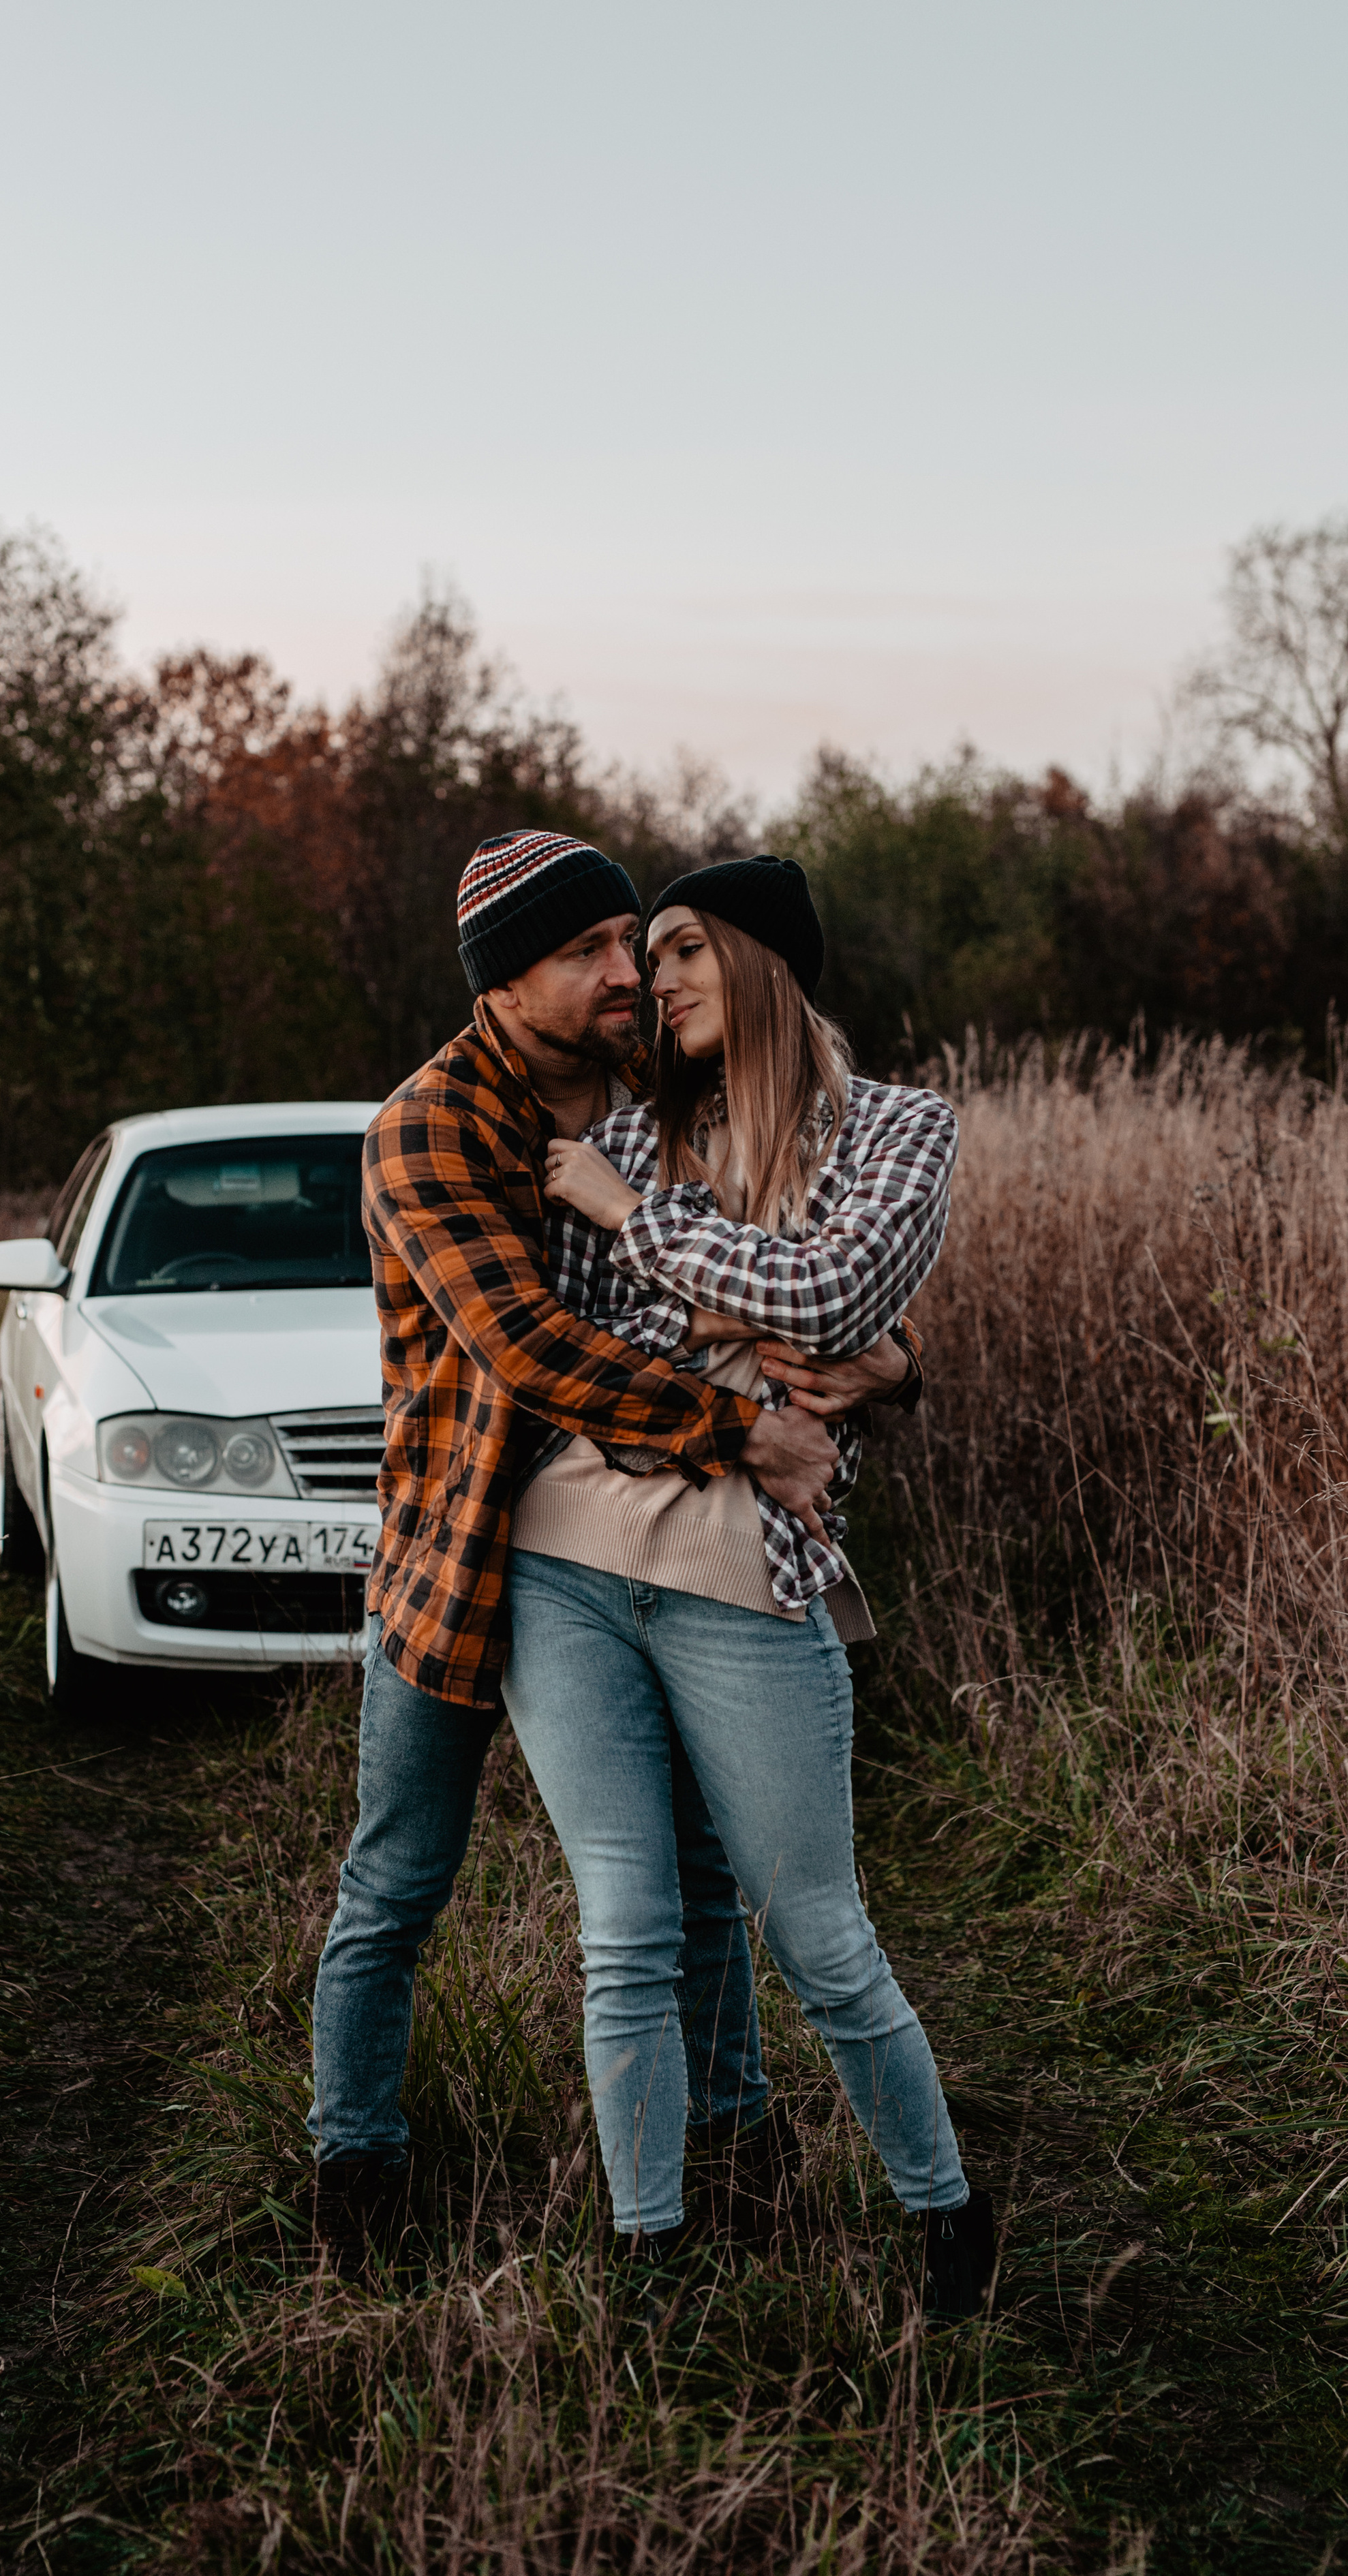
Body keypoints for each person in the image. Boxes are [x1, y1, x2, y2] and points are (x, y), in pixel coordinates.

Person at [307, 831, 900, 2273]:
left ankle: (736, 2148)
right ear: (502, 985)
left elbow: (787, 1263)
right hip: (465, 1555)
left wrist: (883, 1358)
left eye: (632, 943)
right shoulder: (428, 1125)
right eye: (587, 953)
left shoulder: (664, 1093)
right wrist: (742, 1432)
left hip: (642, 1552)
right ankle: (357, 2165)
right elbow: (524, 1346)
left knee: (694, 1881)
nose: (629, 971)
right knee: (397, 1880)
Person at [505, 853, 996, 2321]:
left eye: (674, 953)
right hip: (567, 1558)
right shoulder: (638, 1131)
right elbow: (596, 1329)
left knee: (818, 1936)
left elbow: (833, 1305)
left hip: (741, 1566)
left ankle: (949, 2223)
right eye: (638, 961)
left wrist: (651, 1236)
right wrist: (750, 1298)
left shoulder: (902, 1129)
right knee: (627, 1927)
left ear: (759, 960)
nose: (645, 984)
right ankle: (650, 2256)